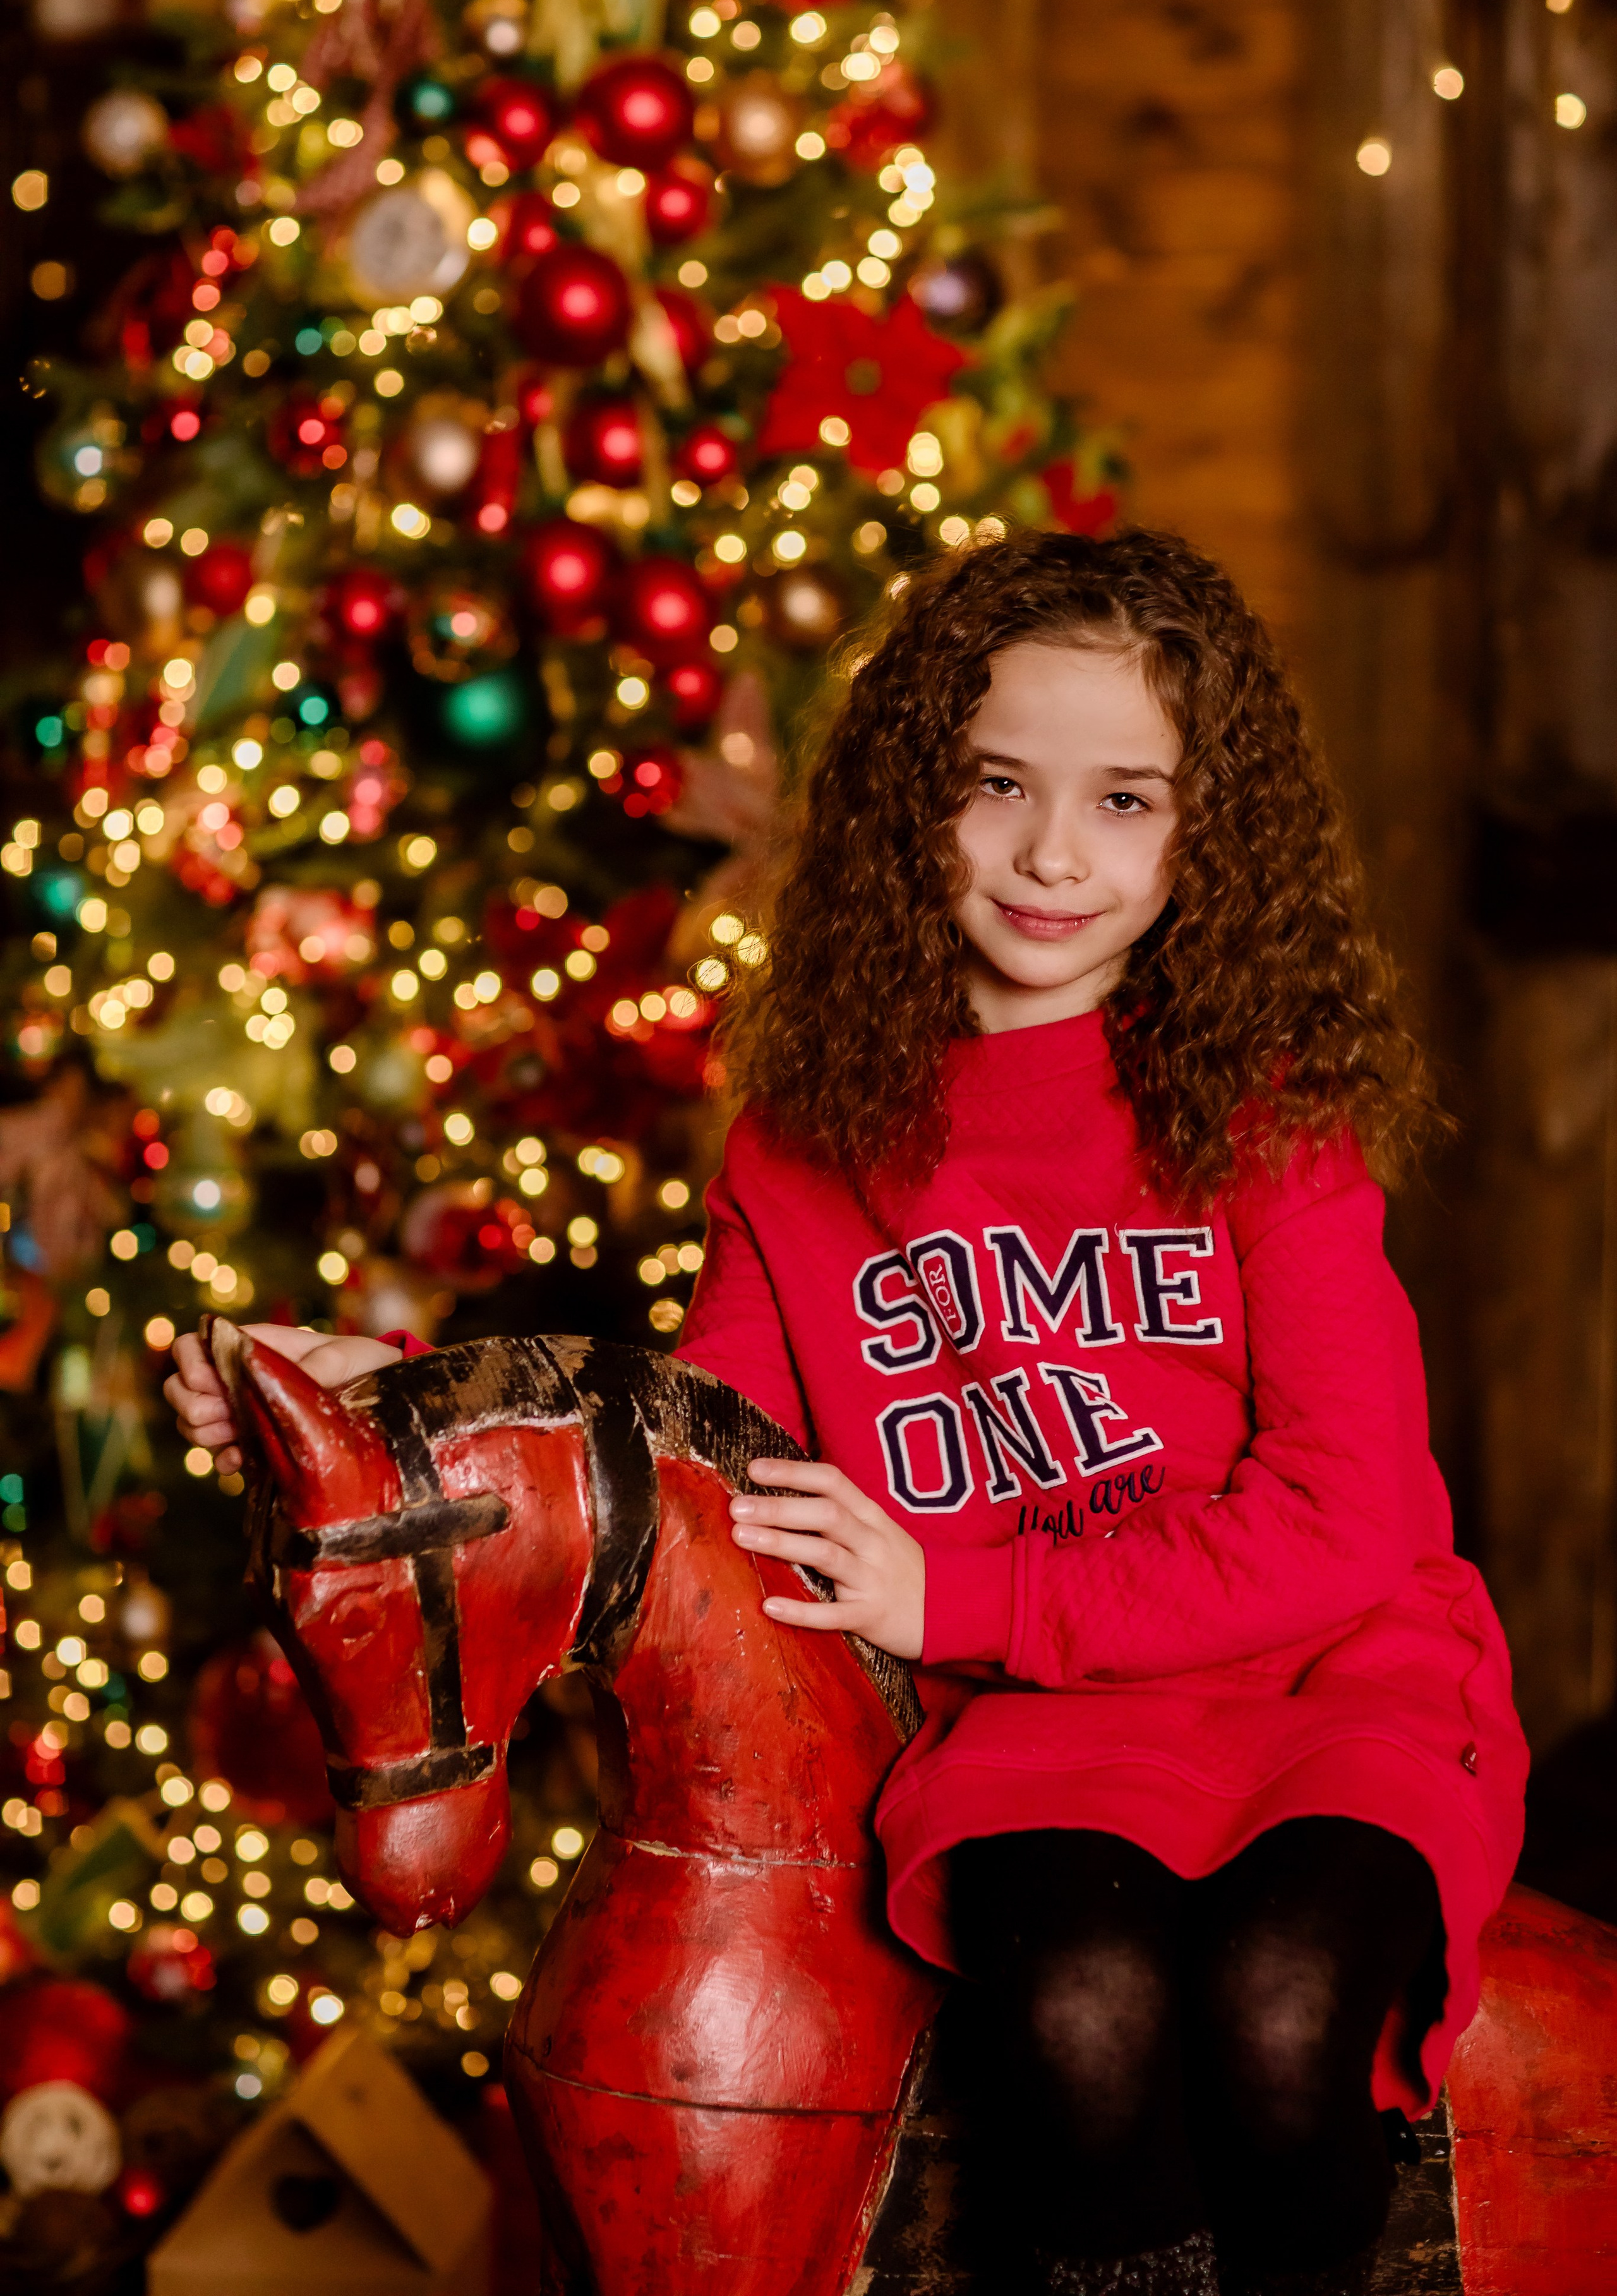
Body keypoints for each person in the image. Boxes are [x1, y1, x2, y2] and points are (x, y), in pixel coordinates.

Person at [168, 530, 1527, 2296]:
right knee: (1075, 2008)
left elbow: (1352, 1517)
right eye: (998, 786)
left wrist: (970, 1596)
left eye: (1128, 801)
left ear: (1216, 836)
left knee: (1282, 2008)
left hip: (1326, 1674)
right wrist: (381, 1411)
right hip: (1035, 1728)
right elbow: (701, 1465)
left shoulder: (1267, 1119)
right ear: (913, 798)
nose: (1053, 853)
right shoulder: (808, 1144)